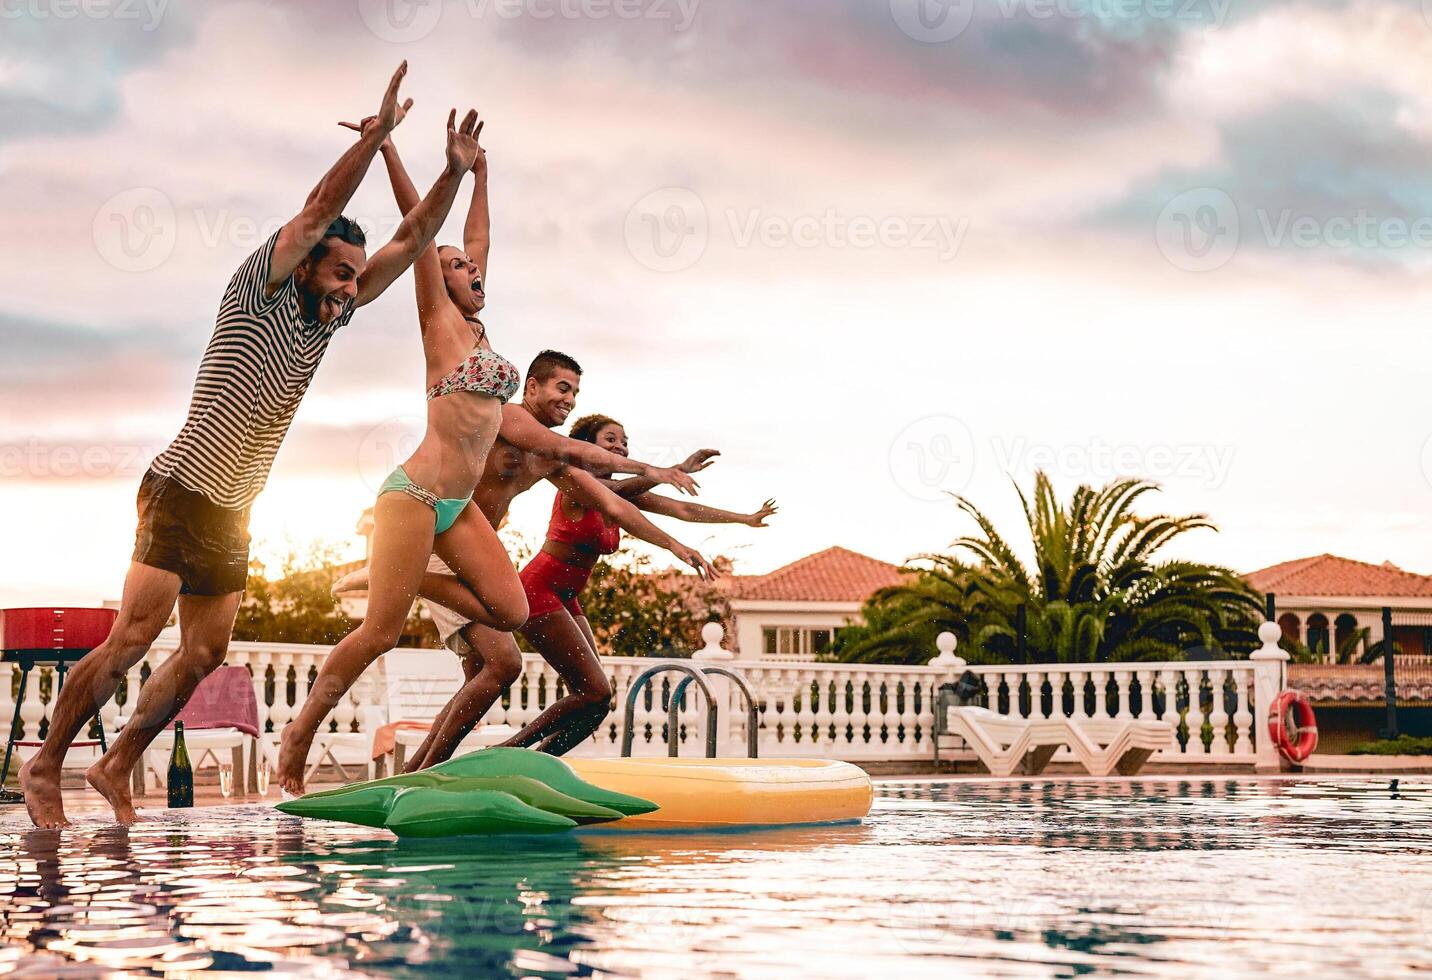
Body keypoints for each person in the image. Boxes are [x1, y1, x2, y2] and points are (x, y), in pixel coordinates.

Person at [20, 63, 479, 829]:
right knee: (134, 637)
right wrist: (378, 139)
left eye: (353, 279)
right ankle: (45, 766)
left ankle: (116, 762)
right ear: (304, 262)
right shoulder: (261, 284)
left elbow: (413, 239)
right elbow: (319, 206)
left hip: (234, 509)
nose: (347, 288)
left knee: (202, 655)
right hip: (180, 486)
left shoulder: (330, 313)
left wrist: (454, 174)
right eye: (337, 272)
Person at [494, 413, 777, 756]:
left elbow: (683, 509)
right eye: (611, 440)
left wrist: (744, 519)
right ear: (587, 448)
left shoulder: (619, 496)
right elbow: (619, 489)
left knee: (597, 704)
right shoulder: (576, 484)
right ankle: (508, 753)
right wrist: (672, 470)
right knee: (593, 693)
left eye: (625, 441)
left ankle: (538, 762)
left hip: (568, 599)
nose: (621, 446)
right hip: (539, 592)